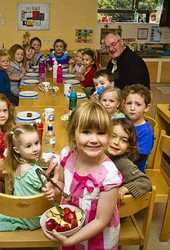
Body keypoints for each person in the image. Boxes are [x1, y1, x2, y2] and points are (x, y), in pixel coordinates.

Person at [43, 101, 123, 249]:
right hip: (71, 225)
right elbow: (61, 182)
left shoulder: (109, 176)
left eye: (100, 133)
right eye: (86, 132)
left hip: (97, 239)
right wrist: (54, 189)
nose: (94, 139)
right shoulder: (68, 155)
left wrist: (70, 241)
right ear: (73, 134)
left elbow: (101, 220)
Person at [0, 124, 57, 231]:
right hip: (34, 216)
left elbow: (40, 180)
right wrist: (56, 172)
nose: (35, 149)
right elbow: (47, 186)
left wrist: (48, 170)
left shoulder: (17, 164)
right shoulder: (32, 171)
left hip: (21, 210)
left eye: (36, 143)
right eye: (28, 146)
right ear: (17, 150)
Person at [107, 118, 152, 199]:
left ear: (129, 147)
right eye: (113, 136)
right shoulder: (100, 154)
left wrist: (124, 189)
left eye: (123, 140)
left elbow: (145, 181)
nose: (116, 142)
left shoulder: (122, 163)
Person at [122, 84, 154, 173]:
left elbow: (138, 158)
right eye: (129, 103)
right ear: (124, 105)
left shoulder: (146, 132)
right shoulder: (123, 121)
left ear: (147, 107)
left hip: (134, 172)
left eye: (138, 104)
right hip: (119, 165)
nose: (132, 108)